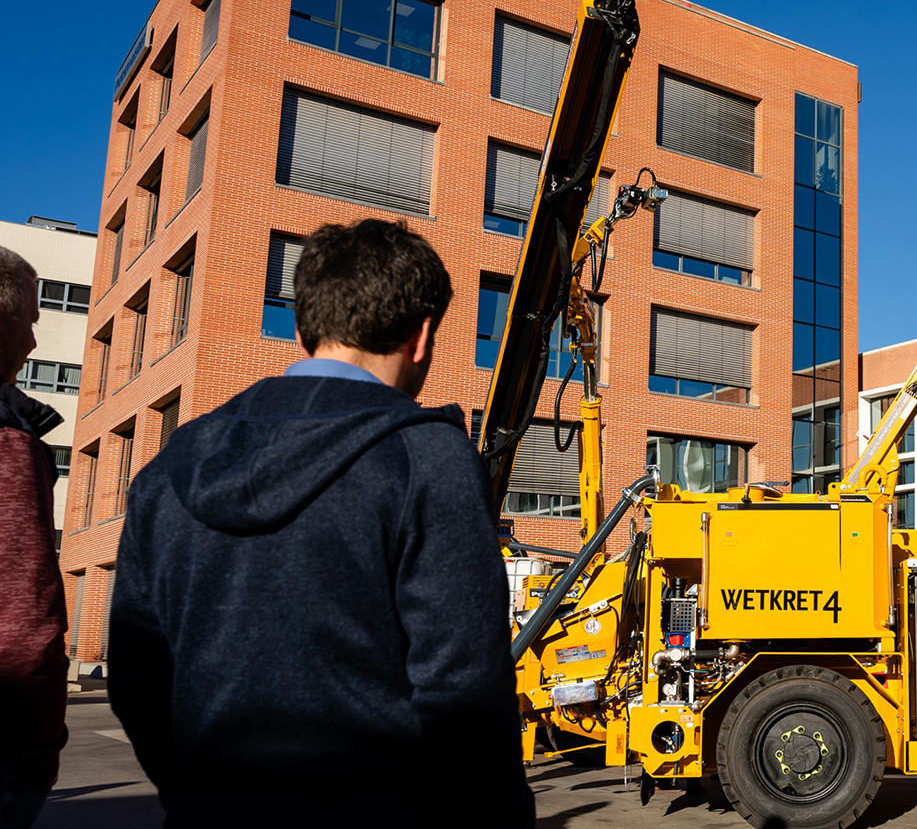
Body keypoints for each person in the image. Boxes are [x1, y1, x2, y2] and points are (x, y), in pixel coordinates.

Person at [109, 220, 534, 826]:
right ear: (422, 335)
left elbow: (136, 673)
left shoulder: (172, 464)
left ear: (305, 326)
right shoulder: (426, 460)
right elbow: (463, 691)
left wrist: (193, 788)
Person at [0, 247, 66, 829]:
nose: (35, 344)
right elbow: (22, 630)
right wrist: (39, 751)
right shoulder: (9, 442)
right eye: (31, 320)